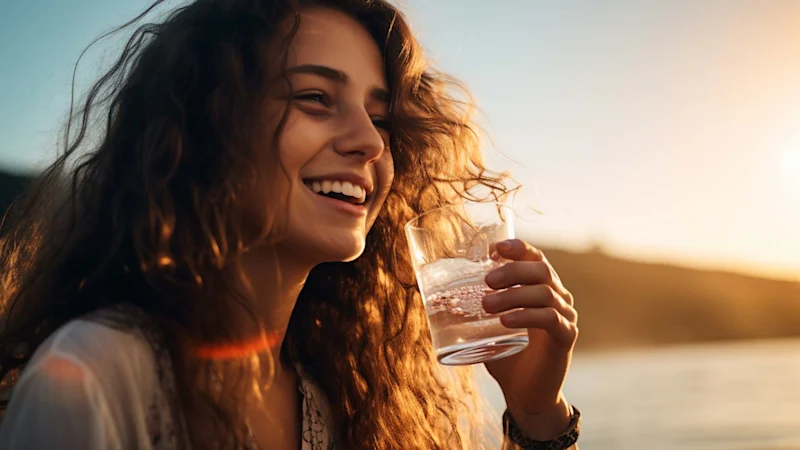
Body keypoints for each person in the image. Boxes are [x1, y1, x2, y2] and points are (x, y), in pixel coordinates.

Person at [0, 0, 581, 448]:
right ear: (208, 127)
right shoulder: (91, 376)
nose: (369, 141)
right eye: (316, 98)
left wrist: (536, 412)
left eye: (380, 118)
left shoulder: (335, 399)